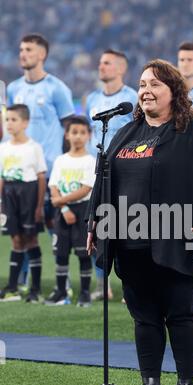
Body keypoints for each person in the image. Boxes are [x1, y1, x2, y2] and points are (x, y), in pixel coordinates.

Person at [87, 59, 193, 385]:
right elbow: (103, 178)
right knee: (144, 315)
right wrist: (95, 222)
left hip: (179, 235)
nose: (146, 90)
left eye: (155, 85)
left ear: (173, 91)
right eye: (142, 84)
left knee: (180, 313)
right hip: (130, 239)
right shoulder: (125, 132)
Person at [6, 33, 75, 291]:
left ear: (42, 54)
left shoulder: (57, 88)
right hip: (21, 173)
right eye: (21, 49)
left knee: (54, 227)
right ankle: (23, 282)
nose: (23, 53)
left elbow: (70, 129)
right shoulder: (13, 88)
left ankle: (63, 282)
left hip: (49, 169)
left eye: (29, 49)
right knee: (22, 231)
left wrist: (64, 165)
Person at [86, 48, 138, 301]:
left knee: (128, 227)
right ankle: (102, 285)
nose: (101, 66)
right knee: (100, 226)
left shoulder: (133, 98)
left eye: (107, 63)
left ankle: (132, 285)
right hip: (100, 172)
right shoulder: (92, 99)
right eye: (100, 62)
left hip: (127, 172)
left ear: (121, 68)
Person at [45, 116, 95, 307]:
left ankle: (84, 293)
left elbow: (85, 189)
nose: (78, 137)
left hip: (82, 210)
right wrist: (63, 207)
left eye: (83, 133)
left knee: (84, 254)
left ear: (89, 136)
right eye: (74, 132)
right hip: (62, 212)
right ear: (67, 135)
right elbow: (54, 186)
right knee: (61, 254)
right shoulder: (61, 160)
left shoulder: (90, 161)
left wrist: (59, 201)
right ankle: (60, 291)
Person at [0, 104, 47, 302]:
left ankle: (35, 289)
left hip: (28, 193)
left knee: (31, 240)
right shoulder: (3, 147)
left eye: (13, 120)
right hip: (9, 195)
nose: (9, 124)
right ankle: (13, 287)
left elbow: (41, 178)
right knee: (16, 240)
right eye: (7, 120)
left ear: (25, 123)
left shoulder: (33, 148)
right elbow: (1, 177)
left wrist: (39, 206)